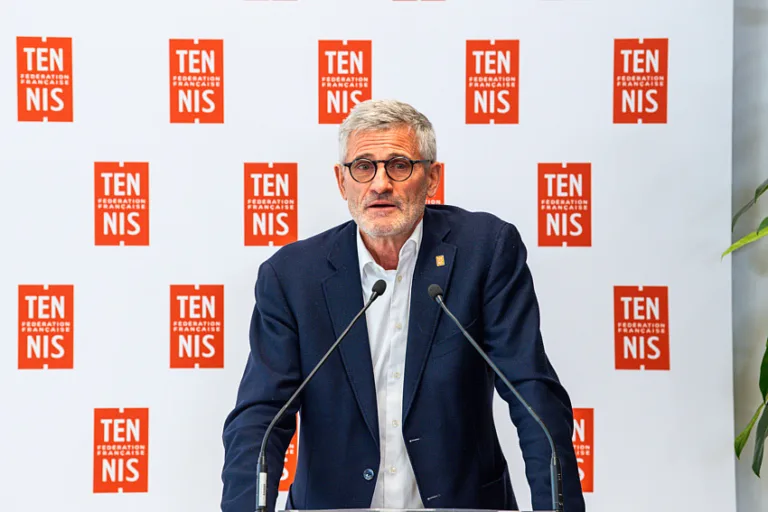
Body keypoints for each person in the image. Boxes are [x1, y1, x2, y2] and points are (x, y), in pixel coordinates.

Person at [220, 99, 585, 512]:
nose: (380, 184)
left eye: (399, 165)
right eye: (363, 167)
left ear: (432, 178)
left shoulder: (485, 252)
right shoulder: (291, 276)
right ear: (342, 182)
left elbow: (532, 395)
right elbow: (260, 419)